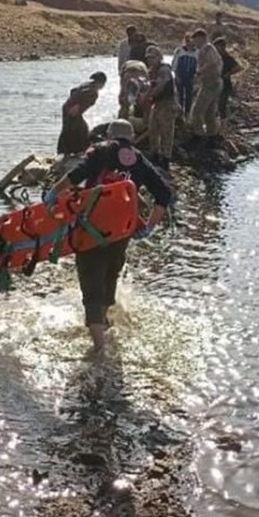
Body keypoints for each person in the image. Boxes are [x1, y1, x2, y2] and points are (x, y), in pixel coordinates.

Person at [44, 119, 174, 347]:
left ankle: (99, 349)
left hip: (90, 231)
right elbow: (164, 194)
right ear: (131, 137)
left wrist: (53, 193)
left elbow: (75, 175)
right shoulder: (139, 160)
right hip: (121, 233)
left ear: (109, 135)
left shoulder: (100, 152)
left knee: (91, 288)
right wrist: (149, 227)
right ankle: (104, 326)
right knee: (109, 278)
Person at [140, 45, 178, 168]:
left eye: (153, 58)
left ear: (159, 58)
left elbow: (161, 85)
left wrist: (148, 96)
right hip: (157, 103)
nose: (150, 60)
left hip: (167, 103)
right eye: (148, 58)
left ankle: (166, 158)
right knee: (153, 129)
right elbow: (148, 85)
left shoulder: (164, 69)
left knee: (166, 131)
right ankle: (155, 154)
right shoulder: (151, 71)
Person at [57, 71, 107, 156]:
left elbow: (73, 90)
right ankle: (75, 151)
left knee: (71, 129)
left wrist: (73, 102)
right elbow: (83, 95)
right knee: (78, 130)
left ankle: (66, 151)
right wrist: (76, 107)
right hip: (73, 109)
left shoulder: (87, 84)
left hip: (68, 107)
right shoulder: (92, 92)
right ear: (100, 82)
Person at [190, 29, 223, 141]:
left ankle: (198, 135)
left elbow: (212, 62)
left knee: (197, 110)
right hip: (212, 82)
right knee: (209, 112)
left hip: (211, 83)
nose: (195, 42)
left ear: (202, 38)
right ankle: (211, 135)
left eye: (196, 39)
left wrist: (200, 72)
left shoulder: (207, 48)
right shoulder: (206, 49)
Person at [215, 37, 245, 132]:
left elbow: (239, 67)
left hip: (225, 85)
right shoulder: (216, 57)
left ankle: (223, 127)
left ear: (222, 47)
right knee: (215, 105)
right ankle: (217, 125)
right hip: (215, 84)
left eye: (217, 47)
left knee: (222, 105)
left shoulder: (228, 58)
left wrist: (229, 74)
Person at [172, 32, 197, 116]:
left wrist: (195, 77)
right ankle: (179, 113)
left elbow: (199, 66)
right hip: (180, 76)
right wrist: (177, 75)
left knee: (189, 96)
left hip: (190, 77)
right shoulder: (180, 51)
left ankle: (187, 113)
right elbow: (174, 64)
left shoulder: (197, 52)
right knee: (180, 96)